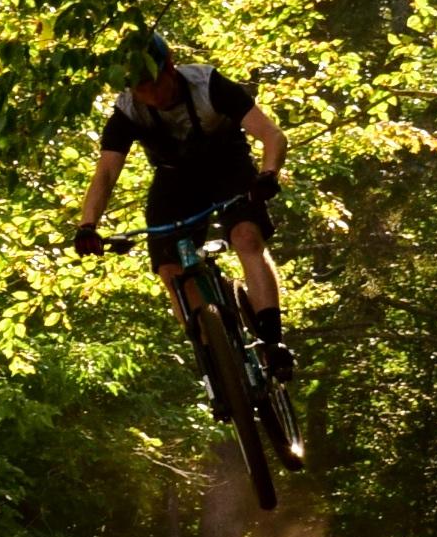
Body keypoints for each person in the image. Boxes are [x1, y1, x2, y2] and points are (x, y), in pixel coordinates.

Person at [72, 32, 294, 379]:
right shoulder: (128, 110)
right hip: (175, 179)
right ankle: (214, 356)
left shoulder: (208, 84)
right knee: (169, 268)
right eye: (139, 88)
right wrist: (87, 226)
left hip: (228, 165)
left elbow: (272, 134)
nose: (149, 95)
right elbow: (105, 174)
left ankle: (272, 340)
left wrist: (268, 174)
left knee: (247, 237)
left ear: (170, 68)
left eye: (153, 83)